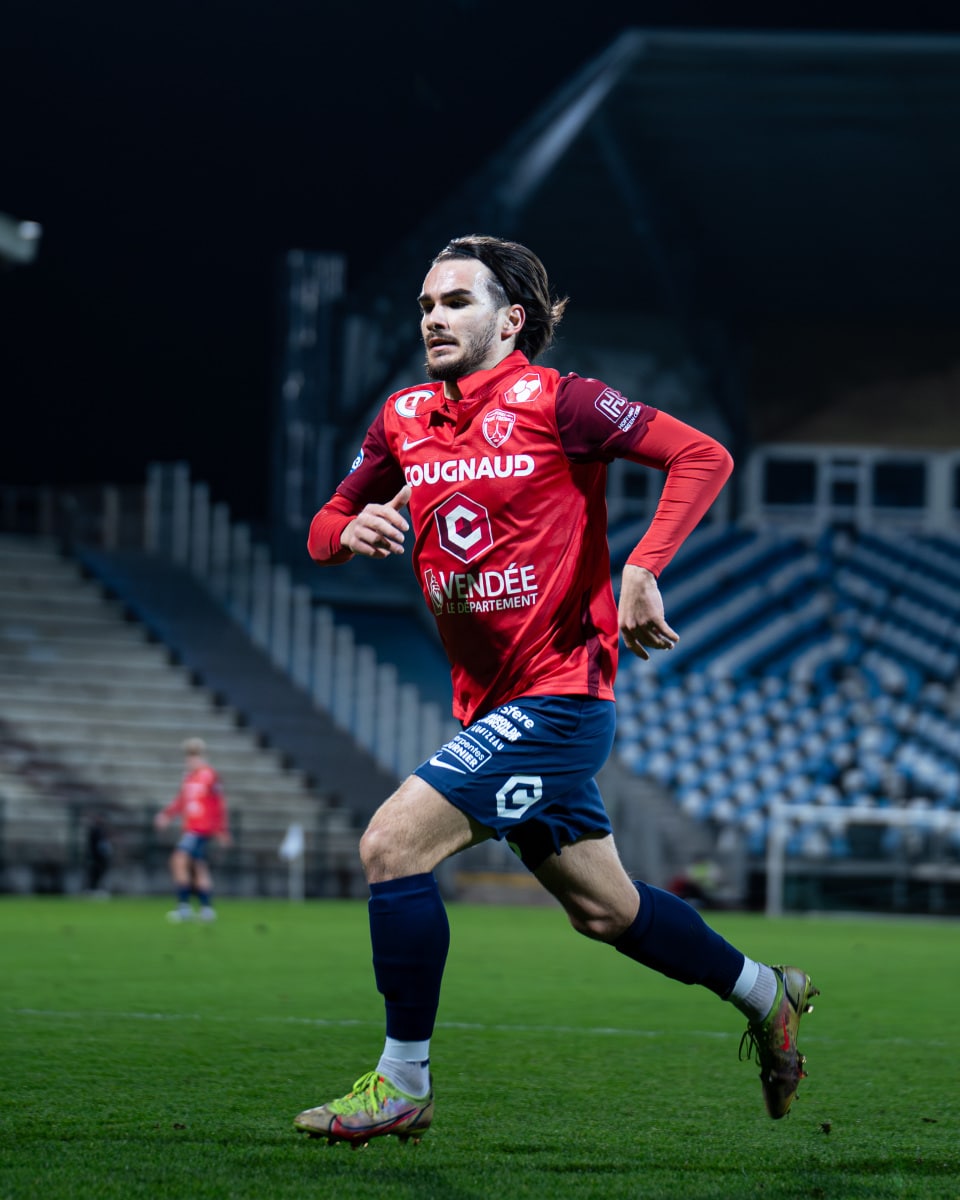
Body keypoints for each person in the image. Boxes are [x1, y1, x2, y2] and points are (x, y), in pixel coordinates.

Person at [296, 235, 818, 1145]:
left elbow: (702, 456)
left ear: (512, 320)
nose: (433, 318)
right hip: (494, 707)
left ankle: (403, 1084)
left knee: (391, 845)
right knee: (606, 911)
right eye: (426, 305)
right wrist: (348, 530)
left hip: (561, 699)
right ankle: (765, 993)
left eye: (456, 302)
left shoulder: (561, 401)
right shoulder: (404, 418)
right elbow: (322, 526)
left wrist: (644, 568)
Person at [154, 737, 231, 922]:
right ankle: (206, 909)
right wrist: (167, 815)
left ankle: (184, 907)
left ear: (202, 757)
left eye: (194, 756)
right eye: (188, 757)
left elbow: (218, 804)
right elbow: (182, 801)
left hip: (201, 829)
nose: (190, 761)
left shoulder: (210, 776)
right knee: (198, 867)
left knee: (178, 860)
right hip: (191, 829)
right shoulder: (188, 778)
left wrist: (221, 830)